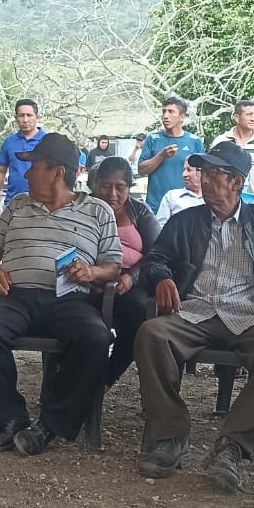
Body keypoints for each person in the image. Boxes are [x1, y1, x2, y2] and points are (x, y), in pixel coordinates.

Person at [135, 141, 254, 488]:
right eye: (204, 173)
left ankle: (233, 447)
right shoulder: (184, 221)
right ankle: (170, 436)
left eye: (215, 174)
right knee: (152, 334)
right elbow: (155, 259)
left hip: (249, 314)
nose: (205, 180)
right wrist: (163, 277)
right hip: (195, 312)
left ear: (237, 182)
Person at [0, 133, 122, 456]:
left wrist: (91, 272)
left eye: (34, 167)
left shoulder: (98, 211)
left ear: (57, 172)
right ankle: (10, 417)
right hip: (15, 296)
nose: (25, 175)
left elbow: (113, 266)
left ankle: (50, 425)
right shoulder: (18, 205)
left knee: (96, 337)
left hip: (69, 301)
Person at [88, 157, 159, 387]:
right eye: (105, 186)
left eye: (120, 187)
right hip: (88, 283)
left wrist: (132, 277)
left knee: (140, 313)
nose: (112, 194)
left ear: (129, 187)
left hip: (128, 285)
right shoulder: (82, 209)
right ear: (95, 185)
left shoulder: (140, 211)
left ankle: (107, 377)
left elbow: (157, 253)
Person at [134, 96, 206, 210]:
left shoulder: (195, 141)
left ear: (182, 117)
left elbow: (203, 175)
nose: (165, 116)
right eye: (164, 112)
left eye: (171, 112)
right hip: (156, 206)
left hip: (186, 206)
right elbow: (141, 170)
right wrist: (161, 156)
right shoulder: (152, 139)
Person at [212, 100, 254, 199]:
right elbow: (211, 171)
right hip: (225, 199)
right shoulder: (221, 142)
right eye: (249, 114)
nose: (253, 119)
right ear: (236, 118)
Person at [0, 99, 46, 216]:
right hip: (13, 203)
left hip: (42, 204)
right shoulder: (9, 142)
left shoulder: (48, 141)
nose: (25, 120)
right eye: (21, 115)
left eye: (29, 115)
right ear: (16, 118)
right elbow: (1, 171)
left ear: (37, 117)